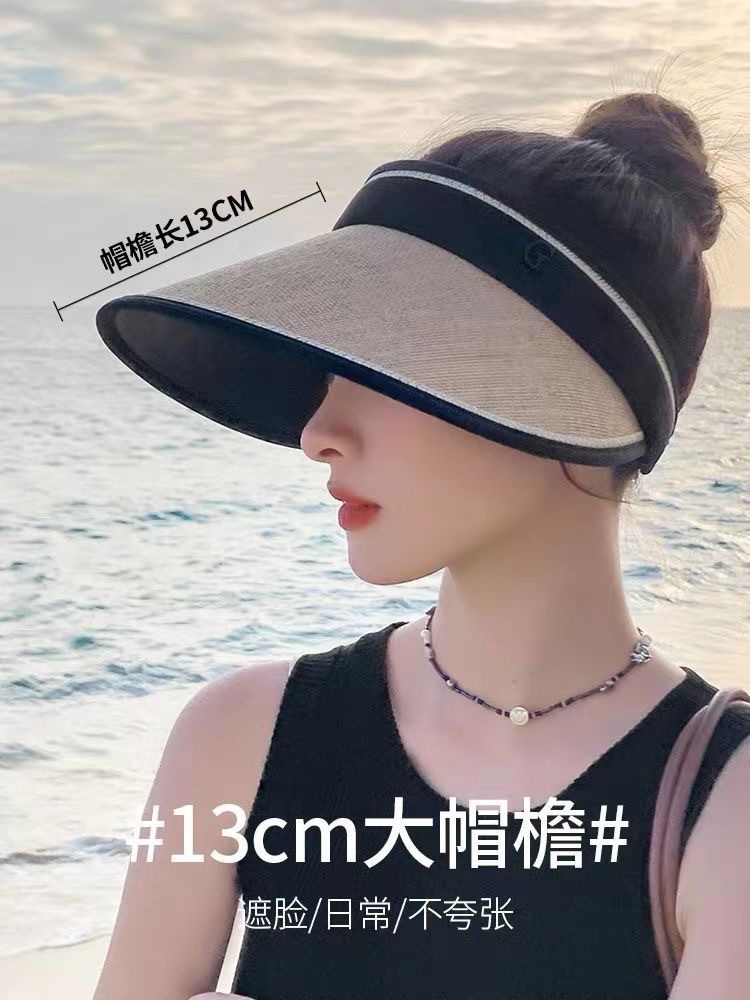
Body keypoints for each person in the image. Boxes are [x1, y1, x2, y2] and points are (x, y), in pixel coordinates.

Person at [92, 90, 750, 1000]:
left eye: (387, 367)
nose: (319, 431)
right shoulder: (237, 738)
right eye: (334, 369)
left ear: (566, 390)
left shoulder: (725, 802)